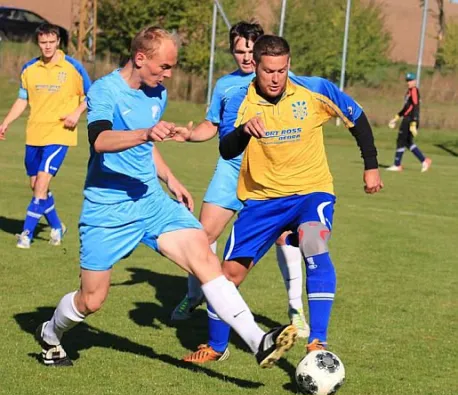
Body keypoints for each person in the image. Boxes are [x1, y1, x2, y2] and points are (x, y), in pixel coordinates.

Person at [34, 27, 297, 369]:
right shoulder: (104, 91)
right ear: (140, 58)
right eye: (165, 67)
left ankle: (257, 340)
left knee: (203, 255)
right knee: (92, 299)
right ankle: (51, 333)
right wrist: (144, 132)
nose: (169, 75)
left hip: (152, 202)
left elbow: (147, 146)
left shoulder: (156, 93)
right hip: (108, 210)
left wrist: (170, 177)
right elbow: (100, 140)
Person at [182, 35, 383, 363]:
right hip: (262, 200)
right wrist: (243, 131)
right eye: (269, 71)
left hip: (311, 191)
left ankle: (317, 341)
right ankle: (216, 346)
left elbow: (356, 117)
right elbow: (226, 149)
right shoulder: (240, 100)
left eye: (282, 69)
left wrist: (371, 166)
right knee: (227, 274)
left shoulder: (314, 89)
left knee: (314, 243)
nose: (276, 77)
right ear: (256, 67)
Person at [172, 22, 309, 353]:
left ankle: (296, 309)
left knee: (283, 236)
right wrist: (190, 134)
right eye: (239, 50)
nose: (246, 56)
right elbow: (212, 125)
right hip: (231, 170)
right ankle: (194, 296)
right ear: (232, 51)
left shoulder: (277, 82)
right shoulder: (225, 85)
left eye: (251, 49)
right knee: (201, 237)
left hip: (269, 173)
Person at [0, 23, 91, 249]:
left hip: (60, 134)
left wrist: (76, 113)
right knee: (36, 186)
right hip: (34, 135)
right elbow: (23, 100)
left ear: (58, 42)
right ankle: (57, 226)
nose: (48, 46)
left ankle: (26, 234)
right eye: (43, 42)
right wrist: (6, 122)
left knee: (41, 185)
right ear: (38, 43)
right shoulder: (29, 68)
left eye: (51, 42)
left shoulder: (73, 67)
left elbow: (92, 95)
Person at [387, 72, 432, 172]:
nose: (409, 82)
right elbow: (407, 107)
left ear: (415, 81)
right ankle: (424, 161)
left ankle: (397, 165)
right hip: (407, 118)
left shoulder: (414, 90)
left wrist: (414, 122)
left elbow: (415, 106)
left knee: (401, 140)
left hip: (410, 120)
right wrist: (396, 117)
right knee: (407, 142)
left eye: (410, 80)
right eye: (407, 81)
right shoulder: (409, 91)